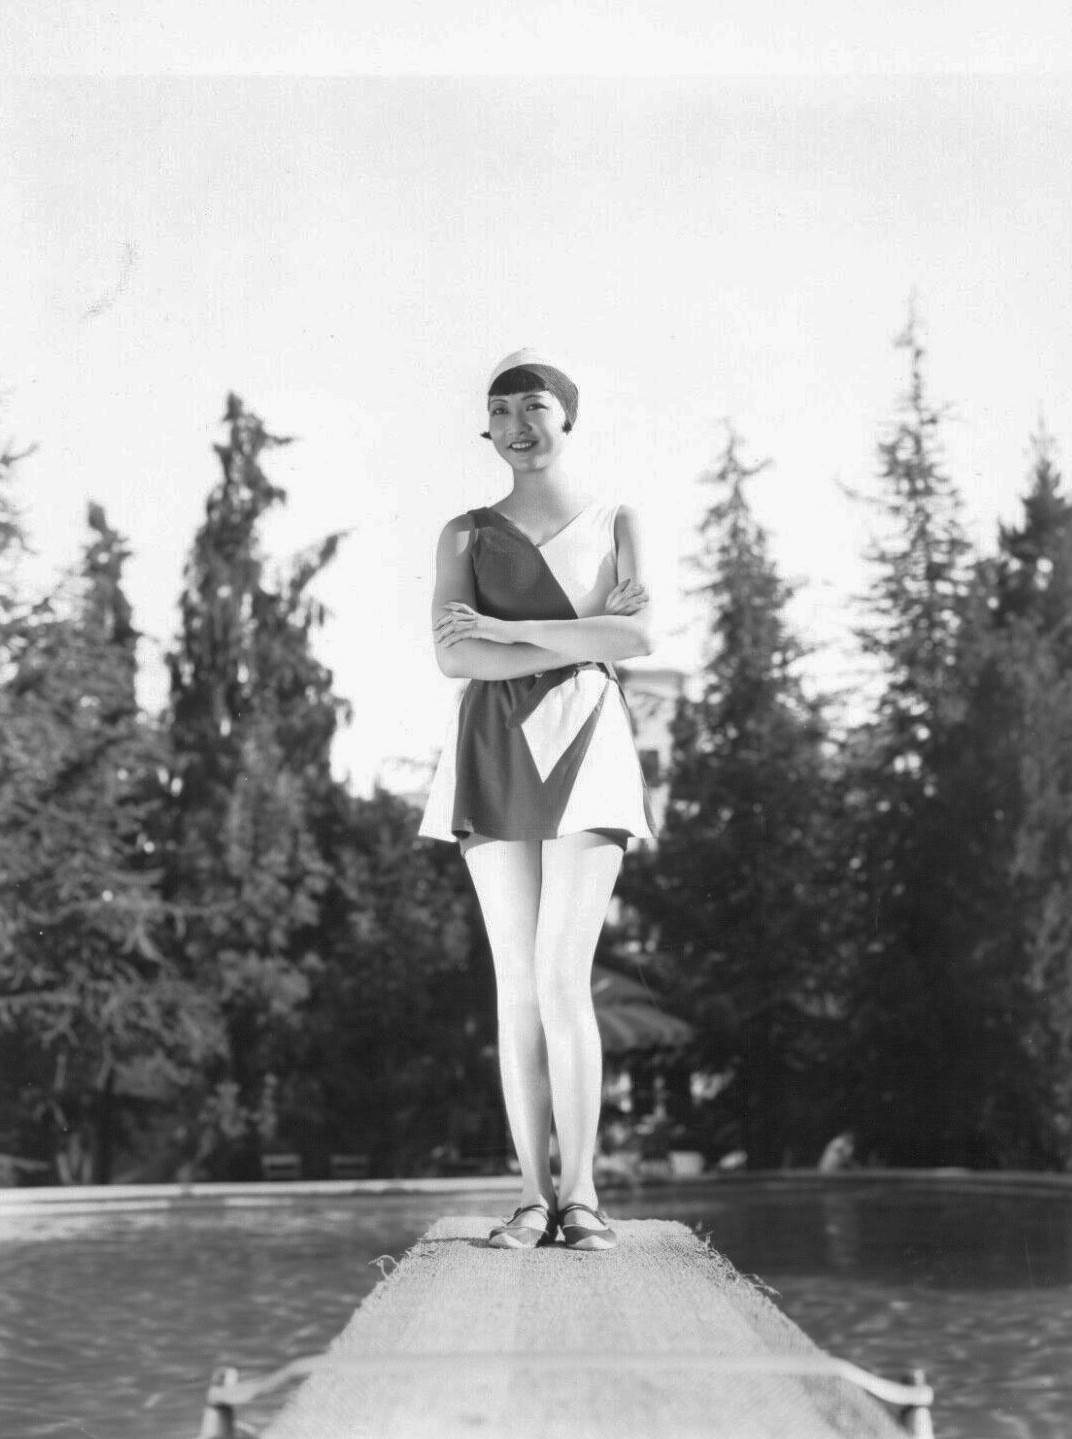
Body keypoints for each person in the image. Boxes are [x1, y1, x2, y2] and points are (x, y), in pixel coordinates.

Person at [419, 348, 657, 1252]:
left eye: (535, 407)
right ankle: (532, 1195)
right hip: (489, 745)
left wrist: (505, 627)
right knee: (515, 981)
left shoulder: (617, 521)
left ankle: (583, 1191)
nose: (518, 426)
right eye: (501, 411)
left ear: (567, 417)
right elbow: (455, 655)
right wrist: (581, 634)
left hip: (587, 741)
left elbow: (636, 636)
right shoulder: (463, 534)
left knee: (562, 973)